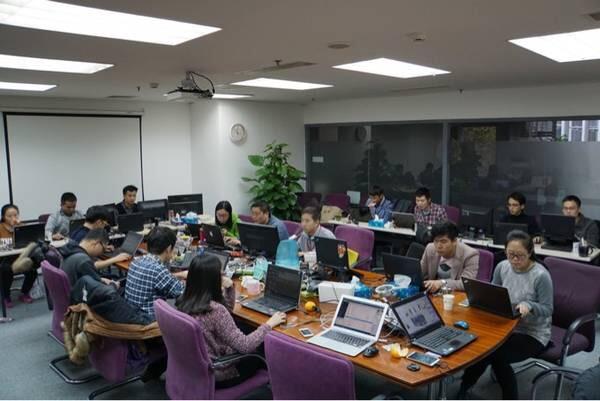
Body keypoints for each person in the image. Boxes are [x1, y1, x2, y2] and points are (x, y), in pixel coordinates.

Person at [457, 230, 553, 399]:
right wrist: (478, 298)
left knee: (496, 357)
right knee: (480, 349)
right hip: (505, 325)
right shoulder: (502, 267)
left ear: (530, 252)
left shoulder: (541, 275)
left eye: (520, 256)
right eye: (510, 254)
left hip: (532, 333)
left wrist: (530, 305)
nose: (514, 260)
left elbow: (548, 309)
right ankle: (464, 388)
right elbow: (493, 293)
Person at [176, 254, 285, 388]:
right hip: (219, 373)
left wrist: (229, 288)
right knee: (261, 348)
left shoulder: (185, 300)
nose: (223, 276)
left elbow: (224, 316)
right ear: (214, 280)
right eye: (221, 274)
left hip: (196, 368)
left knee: (245, 329)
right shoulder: (215, 310)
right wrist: (269, 324)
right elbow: (245, 346)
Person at [125, 226, 187, 321]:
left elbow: (157, 279)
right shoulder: (158, 270)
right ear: (169, 248)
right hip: (148, 320)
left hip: (131, 314)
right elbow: (182, 292)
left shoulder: (136, 261)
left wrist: (178, 275)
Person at [420, 221, 479, 292]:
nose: (439, 246)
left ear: (454, 241)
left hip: (455, 294)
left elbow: (466, 283)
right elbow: (420, 273)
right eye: (436, 241)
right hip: (433, 293)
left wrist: (442, 283)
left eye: (443, 241)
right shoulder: (430, 248)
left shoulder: (470, 254)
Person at [0, 204, 38, 307]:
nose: (13, 218)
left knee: (32, 269)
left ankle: (25, 292)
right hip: (4, 258)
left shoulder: (22, 226)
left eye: (15, 215)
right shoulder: (1, 227)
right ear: (3, 217)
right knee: (6, 270)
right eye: (9, 216)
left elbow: (30, 241)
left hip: (20, 257)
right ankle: (6, 296)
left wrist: (18, 227)